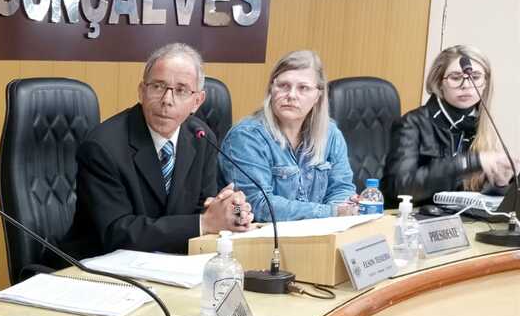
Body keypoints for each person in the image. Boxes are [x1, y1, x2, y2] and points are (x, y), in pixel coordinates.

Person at [63, 43, 253, 259]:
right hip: (100, 268)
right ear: (142, 92)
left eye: (181, 90)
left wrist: (230, 211)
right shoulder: (103, 146)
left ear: (197, 102)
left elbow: (205, 206)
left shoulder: (201, 137)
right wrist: (204, 223)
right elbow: (117, 232)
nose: (167, 101)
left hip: (169, 265)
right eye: (157, 87)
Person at [219, 50, 358, 221]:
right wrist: (331, 213)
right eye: (283, 85)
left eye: (303, 88)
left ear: (318, 96)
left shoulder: (330, 134)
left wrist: (339, 212)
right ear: (271, 88)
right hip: (264, 240)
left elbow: (342, 189)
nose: (291, 95)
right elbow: (259, 205)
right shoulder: (246, 137)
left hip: (322, 235)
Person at [386, 45, 516, 204]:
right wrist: (468, 162)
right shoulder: (411, 123)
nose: (466, 85)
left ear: (485, 83)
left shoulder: (483, 125)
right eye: (455, 78)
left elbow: (477, 197)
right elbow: (399, 189)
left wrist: (500, 183)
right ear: (439, 83)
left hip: (465, 221)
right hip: (416, 219)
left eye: (475, 77)